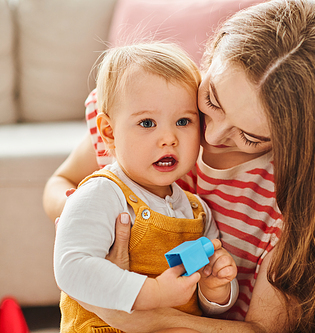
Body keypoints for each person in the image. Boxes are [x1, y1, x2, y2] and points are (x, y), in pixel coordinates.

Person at [44, 0, 315, 331]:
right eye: (211, 100)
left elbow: (258, 328)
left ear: (296, 141)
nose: (211, 135)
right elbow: (61, 181)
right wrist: (91, 209)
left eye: (250, 137)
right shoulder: (155, 107)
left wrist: (148, 318)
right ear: (211, 58)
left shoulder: (292, 210)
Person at [52, 43, 238, 333]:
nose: (168, 138)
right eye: (147, 122)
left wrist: (215, 290)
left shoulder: (197, 210)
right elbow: (71, 267)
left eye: (183, 121)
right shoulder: (102, 193)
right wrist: (153, 293)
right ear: (109, 133)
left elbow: (205, 305)